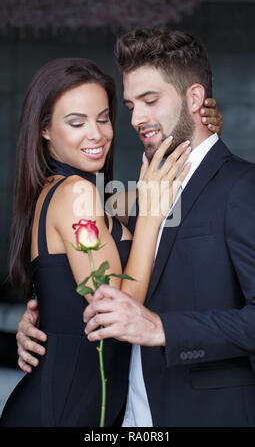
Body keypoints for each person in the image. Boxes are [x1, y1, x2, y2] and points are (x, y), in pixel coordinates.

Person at [12, 32, 223, 426]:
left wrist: (204, 135)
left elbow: (158, 200)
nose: (97, 134)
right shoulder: (75, 195)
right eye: (76, 123)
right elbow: (116, 311)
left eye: (104, 117)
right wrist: (151, 214)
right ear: (43, 130)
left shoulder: (87, 196)